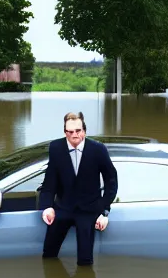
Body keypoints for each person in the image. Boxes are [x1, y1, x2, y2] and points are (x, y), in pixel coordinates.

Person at [39, 111, 118, 266]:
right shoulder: (56, 148)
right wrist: (47, 206)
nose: (74, 135)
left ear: (84, 131)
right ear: (65, 132)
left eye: (78, 131)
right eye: (70, 132)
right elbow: (49, 182)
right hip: (63, 208)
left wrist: (104, 211)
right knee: (48, 255)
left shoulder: (98, 149)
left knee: (85, 261)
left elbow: (111, 181)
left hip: (88, 210)